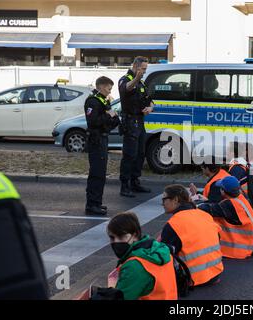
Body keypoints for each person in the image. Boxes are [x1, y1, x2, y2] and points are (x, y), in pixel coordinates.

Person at [160, 184, 224, 287]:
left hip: (190, 278)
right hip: (215, 274)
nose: (162, 203)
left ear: (175, 200)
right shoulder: (204, 215)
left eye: (164, 199)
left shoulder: (174, 224)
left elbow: (163, 255)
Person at [106, 212, 178, 300]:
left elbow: (122, 297)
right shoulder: (160, 249)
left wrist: (112, 288)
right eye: (112, 238)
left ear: (135, 235)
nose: (116, 242)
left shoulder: (134, 265)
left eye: (121, 237)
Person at [199, 176, 253, 259]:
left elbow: (208, 209)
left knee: (206, 219)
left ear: (223, 191)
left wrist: (194, 204)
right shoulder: (241, 198)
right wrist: (207, 201)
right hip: (247, 244)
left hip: (235, 250)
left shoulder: (229, 204)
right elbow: (217, 207)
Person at [118, 56, 153, 197]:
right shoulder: (125, 79)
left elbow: (150, 100)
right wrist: (136, 78)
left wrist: (151, 108)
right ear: (135, 66)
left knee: (140, 153)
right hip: (130, 121)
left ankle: (135, 182)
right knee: (129, 154)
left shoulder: (142, 83)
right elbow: (126, 89)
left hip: (140, 120)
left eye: (145, 69)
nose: (144, 71)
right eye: (143, 69)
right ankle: (124, 185)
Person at [85, 76, 120, 215]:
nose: (110, 91)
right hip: (96, 140)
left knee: (101, 174)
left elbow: (111, 119)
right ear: (100, 86)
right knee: (96, 174)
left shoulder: (103, 100)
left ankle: (97, 202)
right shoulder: (92, 101)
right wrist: (109, 116)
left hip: (103, 139)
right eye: (108, 88)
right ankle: (91, 205)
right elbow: (93, 121)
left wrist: (112, 117)